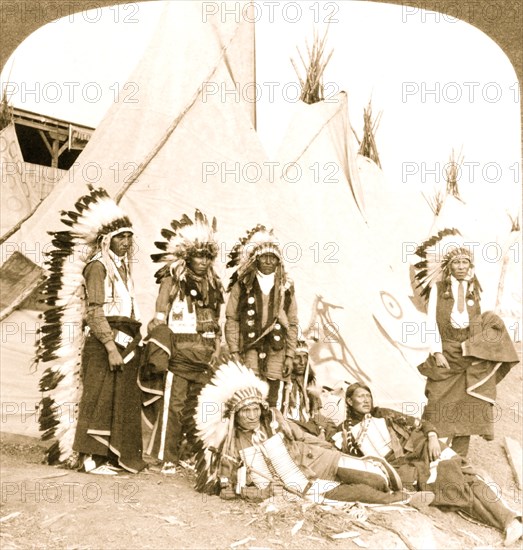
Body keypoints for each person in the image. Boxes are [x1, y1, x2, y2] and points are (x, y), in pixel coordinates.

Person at [38, 186, 147, 475]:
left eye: (128, 236)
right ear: (106, 240)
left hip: (122, 337)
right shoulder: (98, 267)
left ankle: (107, 457)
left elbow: (127, 307)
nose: (125, 241)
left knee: (114, 399)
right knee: (97, 398)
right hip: (102, 341)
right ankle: (89, 459)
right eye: (120, 237)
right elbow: (95, 311)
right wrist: (111, 347)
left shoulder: (122, 268)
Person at [334, 383, 522, 547]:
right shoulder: (344, 431)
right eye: (361, 396)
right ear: (350, 401)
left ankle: (508, 518)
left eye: (368, 395)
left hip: (421, 448)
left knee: (466, 476)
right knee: (452, 487)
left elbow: (421, 423)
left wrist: (432, 436)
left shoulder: (382, 413)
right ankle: (508, 523)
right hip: (398, 467)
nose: (366, 400)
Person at [194, 361, 407, 504]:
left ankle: (383, 475)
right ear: (235, 414)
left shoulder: (275, 423)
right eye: (246, 411)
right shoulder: (232, 444)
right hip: (301, 485)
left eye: (255, 409)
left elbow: (304, 437)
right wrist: (260, 493)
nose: (252, 416)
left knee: (378, 479)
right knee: (359, 493)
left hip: (320, 460)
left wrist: (332, 452)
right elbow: (226, 487)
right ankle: (400, 499)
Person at [414, 229, 519, 457]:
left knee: (467, 405)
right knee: (438, 399)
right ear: (449, 266)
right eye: (457, 263)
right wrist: (437, 352)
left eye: (465, 262)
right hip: (447, 351)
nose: (461, 267)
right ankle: (430, 454)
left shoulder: (476, 290)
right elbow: (431, 322)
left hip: (469, 354)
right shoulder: (438, 288)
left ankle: (459, 459)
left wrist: (481, 346)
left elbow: (483, 319)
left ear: (470, 266)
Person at [139, 210, 224, 475]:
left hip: (204, 354)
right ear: (187, 256)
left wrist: (216, 348)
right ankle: (166, 456)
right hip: (179, 354)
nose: (203, 261)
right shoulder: (173, 280)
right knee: (173, 407)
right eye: (198, 255)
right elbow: (159, 319)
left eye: (207, 256)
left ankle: (193, 454)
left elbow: (217, 322)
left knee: (198, 407)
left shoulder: (214, 284)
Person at [225, 225, 299, 410]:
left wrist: (290, 355)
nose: (268, 261)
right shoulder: (243, 284)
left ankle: (273, 435)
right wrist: (234, 350)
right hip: (249, 348)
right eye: (264, 257)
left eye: (272, 257)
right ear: (255, 259)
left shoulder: (286, 287)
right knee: (249, 395)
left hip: (277, 349)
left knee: (273, 399)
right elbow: (231, 318)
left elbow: (292, 323)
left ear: (278, 261)